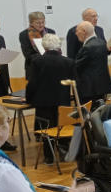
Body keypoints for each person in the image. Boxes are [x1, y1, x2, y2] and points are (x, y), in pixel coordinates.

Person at [24, 34, 75, 164]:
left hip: (43, 102)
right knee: (62, 126)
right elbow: (74, 81)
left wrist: (29, 99)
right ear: (59, 46)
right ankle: (64, 152)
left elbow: (32, 83)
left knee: (46, 129)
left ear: (44, 46)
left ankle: (49, 157)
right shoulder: (68, 62)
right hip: (63, 101)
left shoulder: (37, 61)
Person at [74, 21, 111, 105]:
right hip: (101, 87)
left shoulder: (88, 47)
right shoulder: (102, 43)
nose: (76, 33)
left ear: (84, 31)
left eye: (77, 31)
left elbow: (77, 66)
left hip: (88, 89)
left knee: (87, 115)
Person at [19, 11, 56, 81]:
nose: (41, 25)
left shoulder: (51, 32)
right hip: (34, 69)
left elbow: (56, 49)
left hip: (51, 67)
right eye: (38, 23)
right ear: (31, 23)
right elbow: (28, 54)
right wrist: (46, 58)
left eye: (43, 22)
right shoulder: (24, 34)